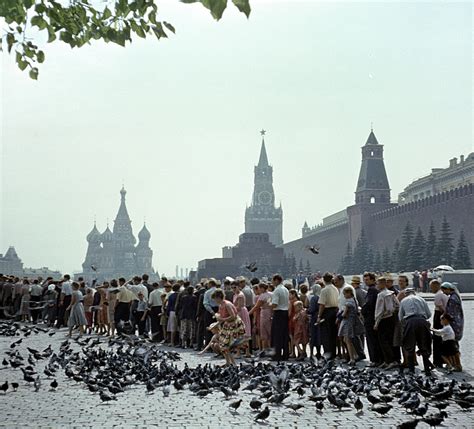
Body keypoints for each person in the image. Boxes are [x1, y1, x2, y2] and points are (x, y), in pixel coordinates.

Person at [398, 288, 433, 375]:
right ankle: (427, 369)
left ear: (406, 294)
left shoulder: (403, 301)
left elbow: (400, 316)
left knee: (410, 346)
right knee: (424, 345)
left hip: (410, 322)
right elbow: (428, 314)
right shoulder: (421, 299)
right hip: (422, 321)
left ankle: (411, 370)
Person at [212, 289, 246, 366]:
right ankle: (228, 362)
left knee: (226, 345)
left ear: (218, 297)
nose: (215, 301)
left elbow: (233, 316)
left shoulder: (227, 304)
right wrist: (215, 325)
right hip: (228, 324)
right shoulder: (221, 305)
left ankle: (233, 363)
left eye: (215, 299)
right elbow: (221, 317)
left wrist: (222, 319)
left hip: (234, 325)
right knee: (223, 344)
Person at [374, 277, 399, 369]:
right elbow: (397, 305)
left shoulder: (381, 295)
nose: (377, 285)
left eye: (378, 284)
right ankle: (390, 360)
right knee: (390, 340)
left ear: (382, 284)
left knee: (383, 341)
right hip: (391, 319)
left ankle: (390, 360)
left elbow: (380, 310)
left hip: (383, 319)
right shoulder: (392, 293)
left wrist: (376, 323)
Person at [338, 286, 364, 365]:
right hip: (353, 320)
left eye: (345, 294)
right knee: (347, 340)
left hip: (347, 322)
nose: (344, 296)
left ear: (349, 293)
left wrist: (339, 316)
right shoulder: (354, 300)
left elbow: (345, 313)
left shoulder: (348, 303)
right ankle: (354, 355)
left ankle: (352, 358)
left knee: (347, 340)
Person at [441, 282, 464, 371]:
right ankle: (455, 364)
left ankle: (458, 365)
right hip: (458, 323)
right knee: (454, 345)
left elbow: (451, 313)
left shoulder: (452, 299)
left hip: (454, 324)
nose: (443, 293)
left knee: (453, 347)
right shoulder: (456, 296)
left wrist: (443, 317)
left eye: (444, 290)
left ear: (448, 289)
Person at [361, 272, 382, 367]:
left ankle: (375, 360)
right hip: (372, 317)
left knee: (372, 340)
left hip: (370, 318)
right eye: (364, 280)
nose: (366, 281)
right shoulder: (373, 290)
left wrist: (362, 310)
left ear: (373, 280)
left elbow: (369, 304)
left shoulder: (372, 290)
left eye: (368, 279)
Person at [317, 272, 339, 360]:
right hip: (335, 310)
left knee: (326, 334)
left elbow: (322, 304)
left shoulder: (324, 290)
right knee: (333, 334)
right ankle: (333, 352)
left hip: (327, 311)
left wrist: (319, 315)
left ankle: (327, 353)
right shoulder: (335, 288)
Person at [430, 279, 449, 367]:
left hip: (439, 315)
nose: (431, 289)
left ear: (436, 285)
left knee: (437, 338)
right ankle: (443, 359)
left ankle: (437, 360)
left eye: (431, 287)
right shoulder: (443, 294)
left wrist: (443, 316)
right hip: (443, 316)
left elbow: (440, 307)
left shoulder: (438, 295)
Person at [271, 274, 290, 361]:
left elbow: (275, 304)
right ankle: (286, 354)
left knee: (277, 335)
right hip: (285, 312)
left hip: (278, 312)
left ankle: (277, 355)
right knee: (284, 334)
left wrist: (268, 306)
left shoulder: (277, 290)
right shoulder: (286, 289)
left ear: (276, 280)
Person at [249, 283, 272, 351]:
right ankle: (270, 349)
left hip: (264, 314)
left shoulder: (262, 296)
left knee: (264, 333)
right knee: (270, 332)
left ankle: (265, 350)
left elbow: (256, 307)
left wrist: (248, 313)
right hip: (270, 313)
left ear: (262, 288)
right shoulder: (271, 294)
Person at [288, 289, 299, 357]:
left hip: (292, 320)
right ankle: (299, 352)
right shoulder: (298, 301)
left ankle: (293, 352)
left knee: (292, 337)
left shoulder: (291, 302)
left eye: (289, 294)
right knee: (297, 336)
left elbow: (289, 313)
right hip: (297, 320)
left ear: (293, 294)